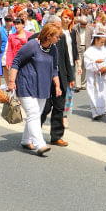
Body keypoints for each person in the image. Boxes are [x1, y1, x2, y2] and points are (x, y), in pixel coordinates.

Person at [7, 23, 63, 156]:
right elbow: (16, 62)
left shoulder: (53, 49)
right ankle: (40, 144)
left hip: (43, 86)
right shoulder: (32, 45)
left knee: (36, 114)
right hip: (26, 84)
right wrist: (11, 81)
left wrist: (57, 85)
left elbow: (54, 68)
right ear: (49, 36)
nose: (59, 39)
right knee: (33, 113)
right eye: (57, 36)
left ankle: (26, 140)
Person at [36, 16, 76, 146]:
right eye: (57, 27)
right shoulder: (36, 39)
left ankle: (56, 137)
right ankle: (34, 134)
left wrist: (70, 77)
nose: (60, 30)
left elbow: (65, 57)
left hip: (61, 78)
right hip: (44, 80)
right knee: (44, 108)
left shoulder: (62, 38)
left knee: (59, 108)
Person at [83, 27, 106, 119]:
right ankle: (95, 112)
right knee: (93, 92)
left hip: (103, 76)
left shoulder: (105, 50)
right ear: (95, 40)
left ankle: (102, 110)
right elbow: (87, 64)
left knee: (103, 93)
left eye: (104, 42)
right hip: (93, 76)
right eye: (101, 42)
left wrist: (105, 68)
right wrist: (96, 64)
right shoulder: (89, 51)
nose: (102, 44)